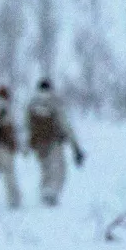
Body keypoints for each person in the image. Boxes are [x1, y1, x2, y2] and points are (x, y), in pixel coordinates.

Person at [24, 79, 86, 208]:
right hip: (54, 142)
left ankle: (44, 193)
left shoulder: (32, 104)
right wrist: (76, 147)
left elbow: (27, 126)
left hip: (38, 144)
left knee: (45, 169)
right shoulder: (54, 103)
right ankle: (52, 194)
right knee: (60, 169)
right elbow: (65, 125)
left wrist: (26, 146)